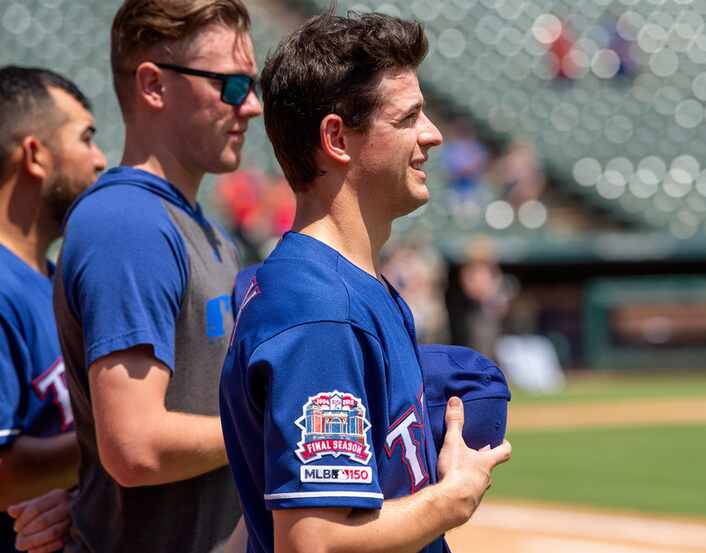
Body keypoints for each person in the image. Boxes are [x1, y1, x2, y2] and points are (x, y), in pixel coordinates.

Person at [220, 11, 511, 553]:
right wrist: (452, 498)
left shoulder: (350, 286)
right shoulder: (318, 311)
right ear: (337, 138)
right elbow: (314, 541)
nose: (434, 135)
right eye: (409, 118)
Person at [50, 1, 261, 552]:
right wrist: (279, 426)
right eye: (233, 86)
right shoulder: (129, 225)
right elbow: (135, 447)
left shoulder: (202, 229)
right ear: (153, 85)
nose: (253, 106)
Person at [0, 65, 106, 553]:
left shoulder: (49, 278)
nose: (100, 159)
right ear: (35, 154)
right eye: (86, 138)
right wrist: (121, 438)